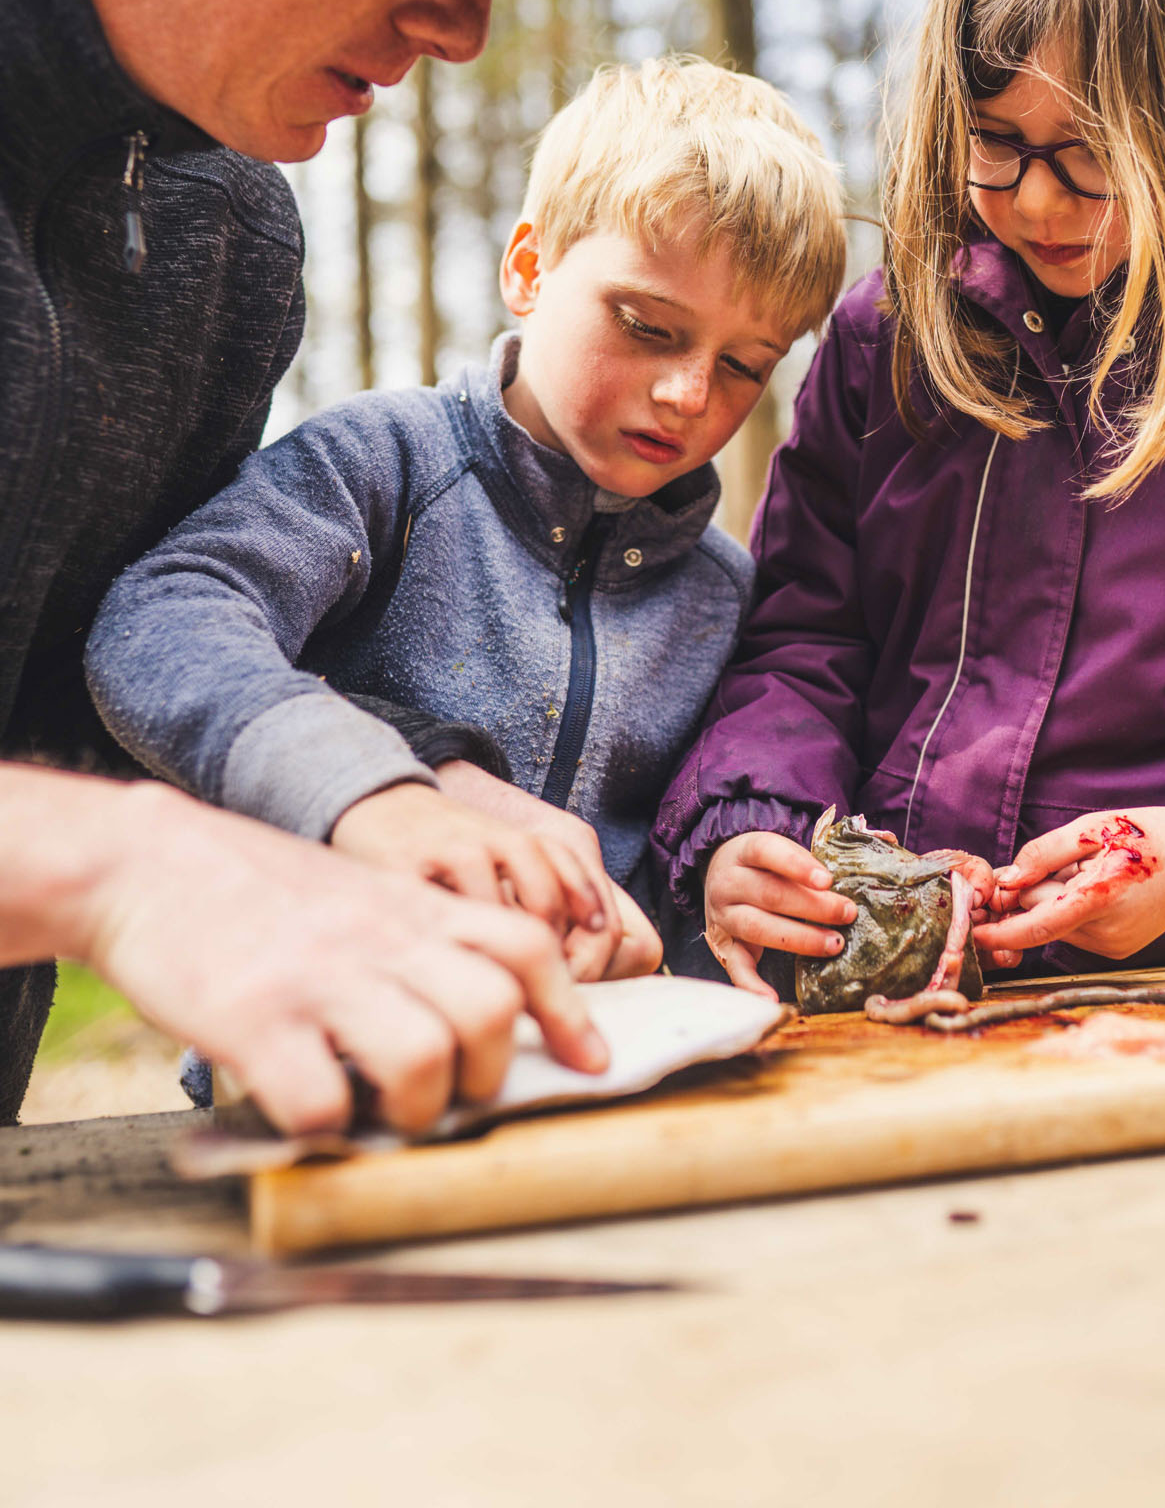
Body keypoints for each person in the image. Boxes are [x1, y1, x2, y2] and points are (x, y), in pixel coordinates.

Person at [0, 0, 700, 1124]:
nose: (463, 28)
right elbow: (104, 845)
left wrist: (387, 792)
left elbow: (98, 707)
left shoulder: (220, 234)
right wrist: (126, 865)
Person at [652, 0, 1165, 1000]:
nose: (1031, 200)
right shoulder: (893, 336)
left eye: (1089, 155)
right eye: (993, 141)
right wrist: (753, 821)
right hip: (907, 997)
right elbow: (806, 639)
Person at [84, 59, 847, 1077]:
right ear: (528, 268)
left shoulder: (724, 594)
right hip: (326, 1064)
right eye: (646, 325)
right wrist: (398, 786)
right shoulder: (384, 465)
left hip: (595, 1082)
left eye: (746, 363)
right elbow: (160, 616)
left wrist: (702, 898)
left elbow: (675, 870)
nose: (686, 390)